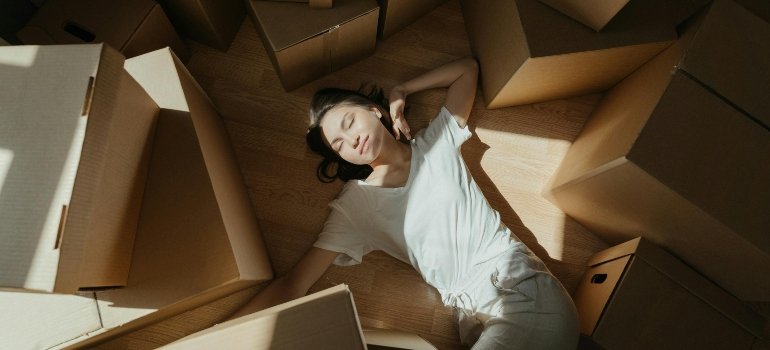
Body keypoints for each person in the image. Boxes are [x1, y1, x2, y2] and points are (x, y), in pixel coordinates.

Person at [230, 57, 579, 349]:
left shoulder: (437, 143)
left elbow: (467, 70)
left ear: (374, 111)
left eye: (350, 122)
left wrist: (402, 90)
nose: (351, 139)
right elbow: (294, 284)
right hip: (472, 320)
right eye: (339, 144)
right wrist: (209, 341)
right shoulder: (355, 207)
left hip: (520, 290)